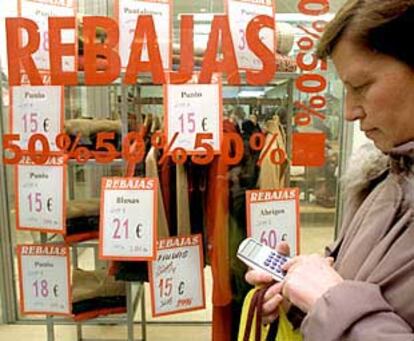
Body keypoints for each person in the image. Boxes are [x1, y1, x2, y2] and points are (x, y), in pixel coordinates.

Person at [245, 0, 414, 339]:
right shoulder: (383, 181)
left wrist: (328, 299)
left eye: (362, 86)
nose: (350, 111)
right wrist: (297, 294)